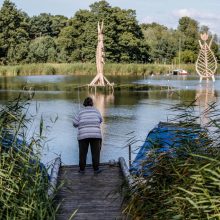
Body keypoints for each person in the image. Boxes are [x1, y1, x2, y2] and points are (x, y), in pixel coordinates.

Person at [73, 97, 103, 174]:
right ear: (92, 103)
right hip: (96, 135)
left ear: (84, 104)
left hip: (83, 135)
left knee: (83, 153)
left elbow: (75, 124)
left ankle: (82, 170)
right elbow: (100, 120)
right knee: (96, 153)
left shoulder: (80, 112)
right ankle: (96, 169)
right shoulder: (96, 111)